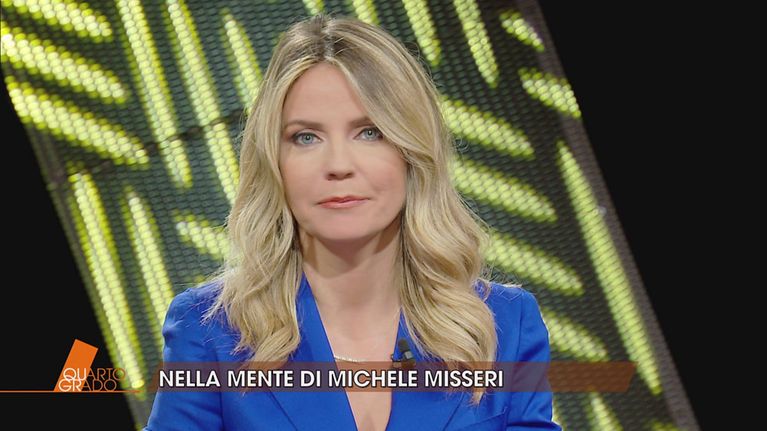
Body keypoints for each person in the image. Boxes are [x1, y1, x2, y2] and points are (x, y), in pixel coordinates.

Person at [144, 13, 561, 431]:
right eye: (306, 137)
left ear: (411, 153)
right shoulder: (208, 330)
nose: (339, 165)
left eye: (370, 132)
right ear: (274, 162)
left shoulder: (505, 323)